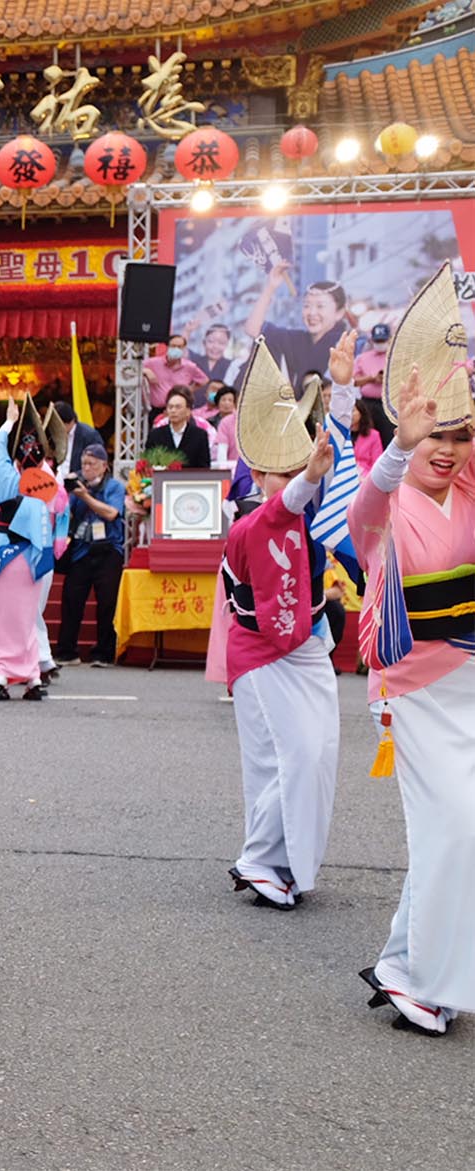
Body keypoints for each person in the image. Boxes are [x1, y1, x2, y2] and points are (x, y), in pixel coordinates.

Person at [346, 265, 475, 1034]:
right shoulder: (387, 503)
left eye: (460, 435)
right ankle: (423, 979)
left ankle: (404, 962)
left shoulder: (468, 493)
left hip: (471, 680)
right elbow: (361, 510)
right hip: (410, 690)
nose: (448, 449)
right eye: (438, 435)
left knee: (461, 829)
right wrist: (399, 443)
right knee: (451, 825)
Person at [221, 337, 339, 912]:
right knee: (279, 756)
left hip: (309, 644)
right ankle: (258, 859)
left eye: (298, 466)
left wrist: (336, 413)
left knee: (316, 754)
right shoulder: (252, 520)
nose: (289, 478)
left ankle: (286, 860)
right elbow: (283, 506)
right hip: (260, 651)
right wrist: (307, 477)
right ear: (256, 472)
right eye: (279, 470)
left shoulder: (313, 510)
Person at [0, 402, 61, 701]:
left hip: (3, 552)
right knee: (28, 616)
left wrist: (9, 424)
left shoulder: (4, 476)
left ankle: (1, 674)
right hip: (32, 554)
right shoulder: (46, 481)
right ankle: (32, 677)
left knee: (0, 616)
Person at [53, 444, 126, 668]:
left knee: (107, 603)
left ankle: (103, 652)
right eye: (84, 464)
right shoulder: (78, 487)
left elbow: (111, 513)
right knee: (71, 599)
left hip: (108, 549)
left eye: (92, 464)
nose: (87, 468)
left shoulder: (114, 486)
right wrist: (66, 491)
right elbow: (66, 514)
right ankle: (67, 651)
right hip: (82, 549)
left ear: (104, 466)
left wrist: (85, 496)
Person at [242, 271, 353, 391]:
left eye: (320, 306)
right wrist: (271, 287)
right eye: (306, 305)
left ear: (339, 312)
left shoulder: (348, 344)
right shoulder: (297, 340)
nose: (312, 312)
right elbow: (253, 330)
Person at [141, 334, 209, 416]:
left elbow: (204, 380)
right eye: (173, 346)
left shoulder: (189, 366)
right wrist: (146, 371)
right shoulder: (153, 363)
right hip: (158, 410)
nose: (176, 349)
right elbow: (131, 368)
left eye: (180, 347)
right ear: (167, 347)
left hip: (179, 409)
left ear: (184, 348)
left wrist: (188, 390)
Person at [146, 388, 213, 469]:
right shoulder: (155, 435)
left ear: (188, 411)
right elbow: (148, 464)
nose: (173, 411)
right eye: (170, 407)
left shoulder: (200, 435)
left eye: (178, 407)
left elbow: (204, 467)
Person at [352, 322, 396, 444]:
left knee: (389, 437)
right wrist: (371, 378)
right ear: (371, 340)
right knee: (367, 436)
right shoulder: (363, 358)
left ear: (389, 339)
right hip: (368, 404)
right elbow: (353, 381)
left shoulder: (396, 357)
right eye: (378, 341)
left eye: (383, 341)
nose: (380, 344)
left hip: (389, 403)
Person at [51, 401, 103, 477]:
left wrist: (77, 474)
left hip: (77, 482)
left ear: (69, 422)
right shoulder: (53, 435)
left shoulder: (89, 435)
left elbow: (98, 464)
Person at [351, 397, 384, 474]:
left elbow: (377, 462)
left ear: (361, 413)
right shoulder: (342, 435)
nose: (349, 414)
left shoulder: (374, 435)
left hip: (366, 477)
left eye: (352, 411)